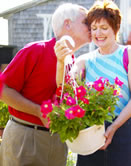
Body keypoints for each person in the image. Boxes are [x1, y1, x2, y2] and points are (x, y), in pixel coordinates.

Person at [55, 1, 131, 166]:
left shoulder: (130, 54)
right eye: (94, 28)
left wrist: (113, 127)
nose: (98, 33)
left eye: (104, 28)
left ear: (115, 28)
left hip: (124, 132)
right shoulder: (85, 60)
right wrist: (61, 63)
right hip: (91, 133)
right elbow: (66, 92)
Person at [0, 3, 90, 166]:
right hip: (26, 137)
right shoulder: (35, 50)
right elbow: (3, 90)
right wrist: (37, 110)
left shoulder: (71, 60)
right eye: (86, 22)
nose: (91, 26)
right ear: (67, 24)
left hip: (56, 141)